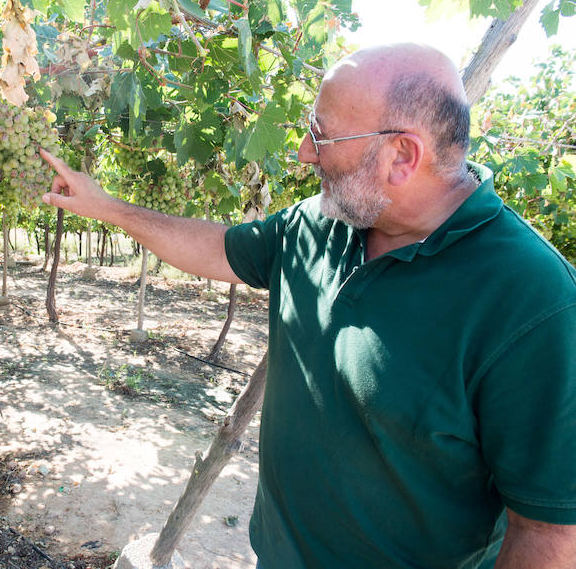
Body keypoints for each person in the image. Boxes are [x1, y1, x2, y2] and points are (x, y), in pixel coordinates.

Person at [39, 43, 576, 568]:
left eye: (323, 134)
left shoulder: (532, 301)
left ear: (402, 156)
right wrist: (107, 207)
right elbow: (218, 247)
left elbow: (549, 531)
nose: (303, 152)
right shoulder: (319, 223)